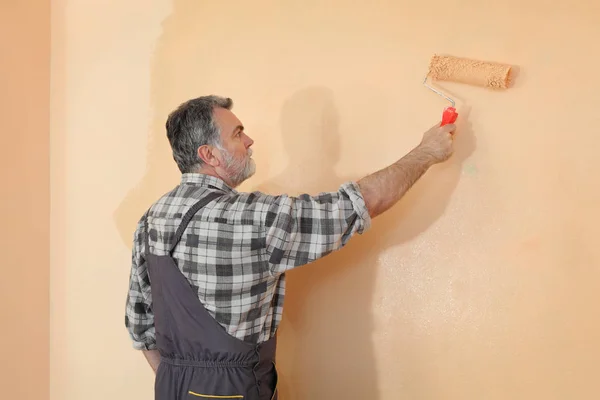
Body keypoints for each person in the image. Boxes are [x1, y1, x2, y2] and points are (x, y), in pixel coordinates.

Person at [125, 95, 456, 400]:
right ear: (208, 155)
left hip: (170, 386)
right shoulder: (253, 217)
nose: (250, 141)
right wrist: (427, 151)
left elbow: (141, 328)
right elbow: (361, 202)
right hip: (232, 390)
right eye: (238, 134)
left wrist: (185, 383)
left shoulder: (152, 218)